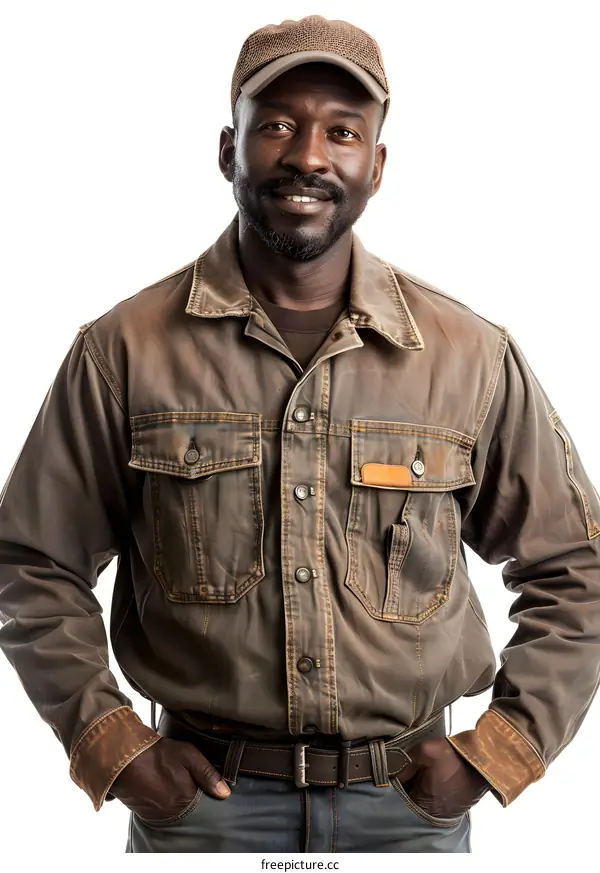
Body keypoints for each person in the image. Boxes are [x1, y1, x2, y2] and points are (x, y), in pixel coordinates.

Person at [1, 13, 599, 855]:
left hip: (407, 815)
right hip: (203, 814)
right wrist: (110, 743)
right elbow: (31, 561)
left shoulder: (470, 356)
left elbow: (577, 566)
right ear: (227, 149)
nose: (309, 155)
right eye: (276, 123)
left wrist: (501, 748)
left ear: (376, 165)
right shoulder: (122, 350)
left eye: (342, 132)